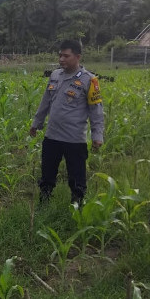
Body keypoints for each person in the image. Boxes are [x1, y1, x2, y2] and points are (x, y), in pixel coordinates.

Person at [29, 40, 104, 205]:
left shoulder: (89, 80)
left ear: (77, 57)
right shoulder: (55, 75)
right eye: (60, 55)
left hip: (74, 139)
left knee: (77, 178)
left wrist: (97, 136)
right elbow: (45, 102)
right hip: (52, 136)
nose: (61, 59)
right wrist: (36, 123)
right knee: (47, 174)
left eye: (66, 56)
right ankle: (45, 203)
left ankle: (77, 206)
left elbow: (96, 111)